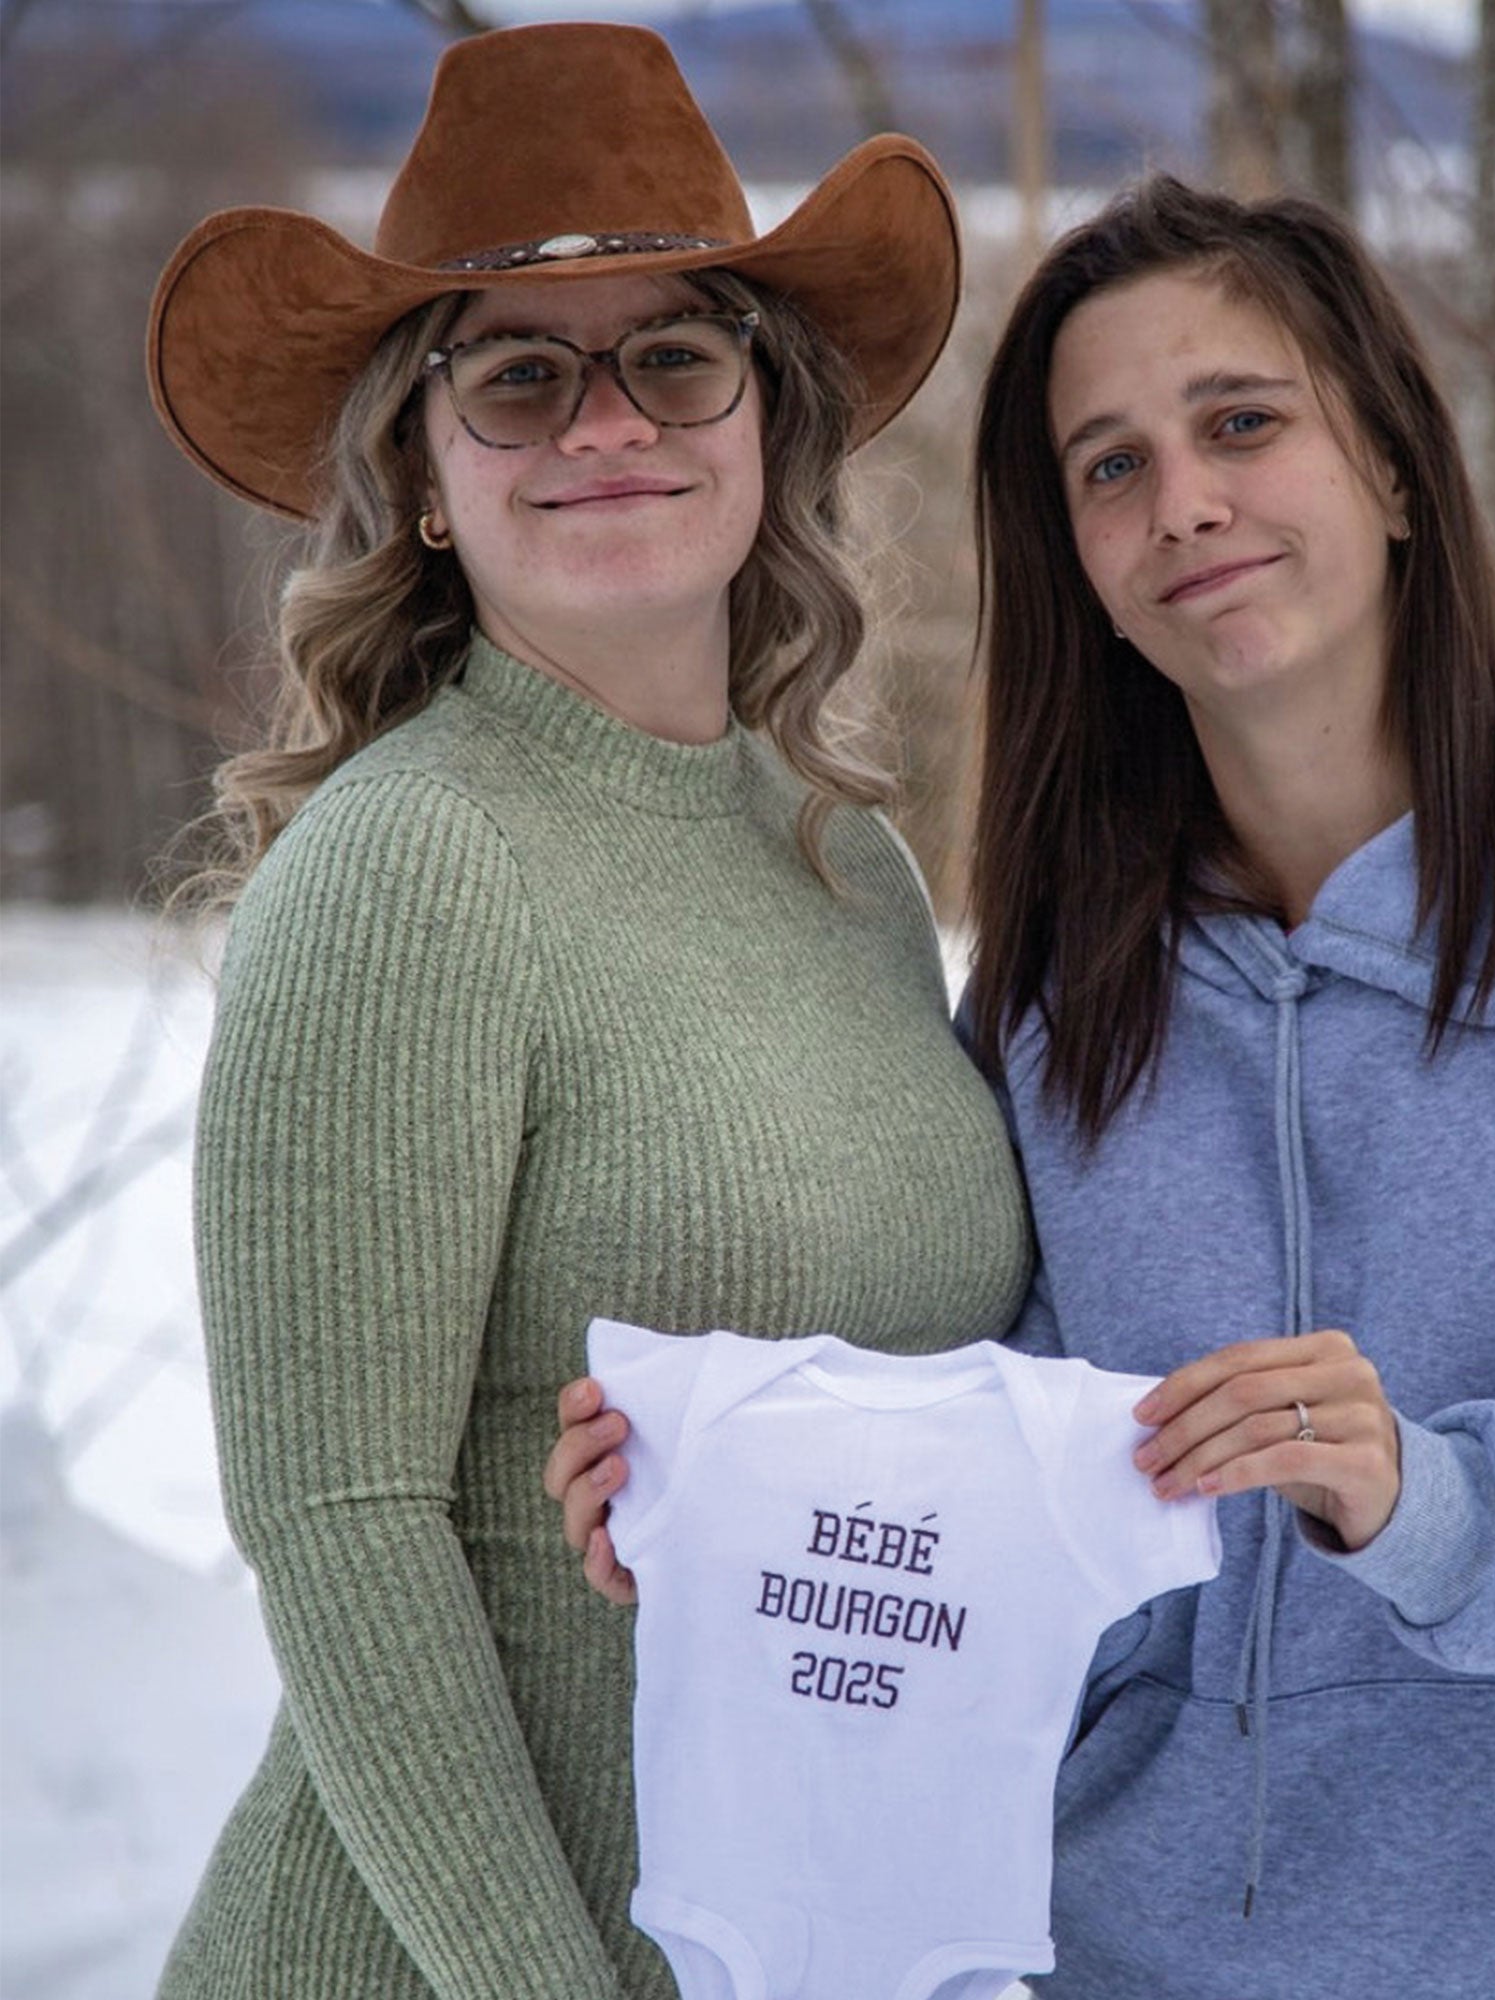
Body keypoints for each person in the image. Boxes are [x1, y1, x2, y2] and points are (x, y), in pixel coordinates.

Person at [551, 176, 1495, 1998]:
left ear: (1386, 463)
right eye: (1110, 467)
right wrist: (756, 1544)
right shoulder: (1068, 998)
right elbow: (1010, 1497)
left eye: (1241, 423)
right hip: (1140, 1957)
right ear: (1075, 562)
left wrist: (1429, 1505)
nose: (1186, 502)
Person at [150, 24, 1029, 2000]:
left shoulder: (842, 864)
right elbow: (341, 1524)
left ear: (766, 421)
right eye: (518, 373)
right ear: (424, 473)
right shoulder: (411, 868)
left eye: (673, 354)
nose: (603, 419)